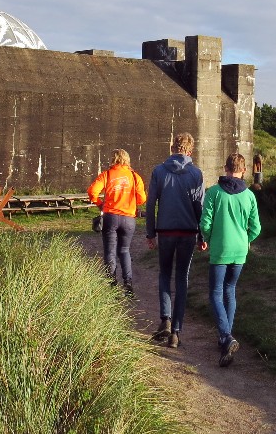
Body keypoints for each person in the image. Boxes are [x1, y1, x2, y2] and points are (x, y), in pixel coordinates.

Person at [200, 153, 261, 367]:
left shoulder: (214, 192)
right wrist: (246, 240)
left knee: (215, 293)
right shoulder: (249, 196)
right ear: (243, 170)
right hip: (239, 251)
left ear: (225, 168)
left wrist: (207, 238)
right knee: (230, 291)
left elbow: (205, 222)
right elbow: (256, 227)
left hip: (220, 250)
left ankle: (226, 336)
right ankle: (225, 339)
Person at [145, 133, 205, 349]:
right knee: (182, 278)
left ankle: (165, 320)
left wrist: (150, 233)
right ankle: (176, 332)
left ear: (172, 148)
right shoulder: (196, 173)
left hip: (166, 230)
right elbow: (200, 207)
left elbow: (150, 204)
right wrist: (202, 235)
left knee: (164, 273)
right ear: (190, 150)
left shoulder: (159, 171)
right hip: (188, 231)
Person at [87, 149, 147, 295]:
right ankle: (128, 283)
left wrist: (100, 204)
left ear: (113, 159)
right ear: (127, 159)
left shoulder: (107, 174)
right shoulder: (134, 176)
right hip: (129, 218)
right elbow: (142, 199)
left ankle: (111, 283)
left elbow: (92, 191)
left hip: (110, 217)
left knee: (110, 251)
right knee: (124, 250)